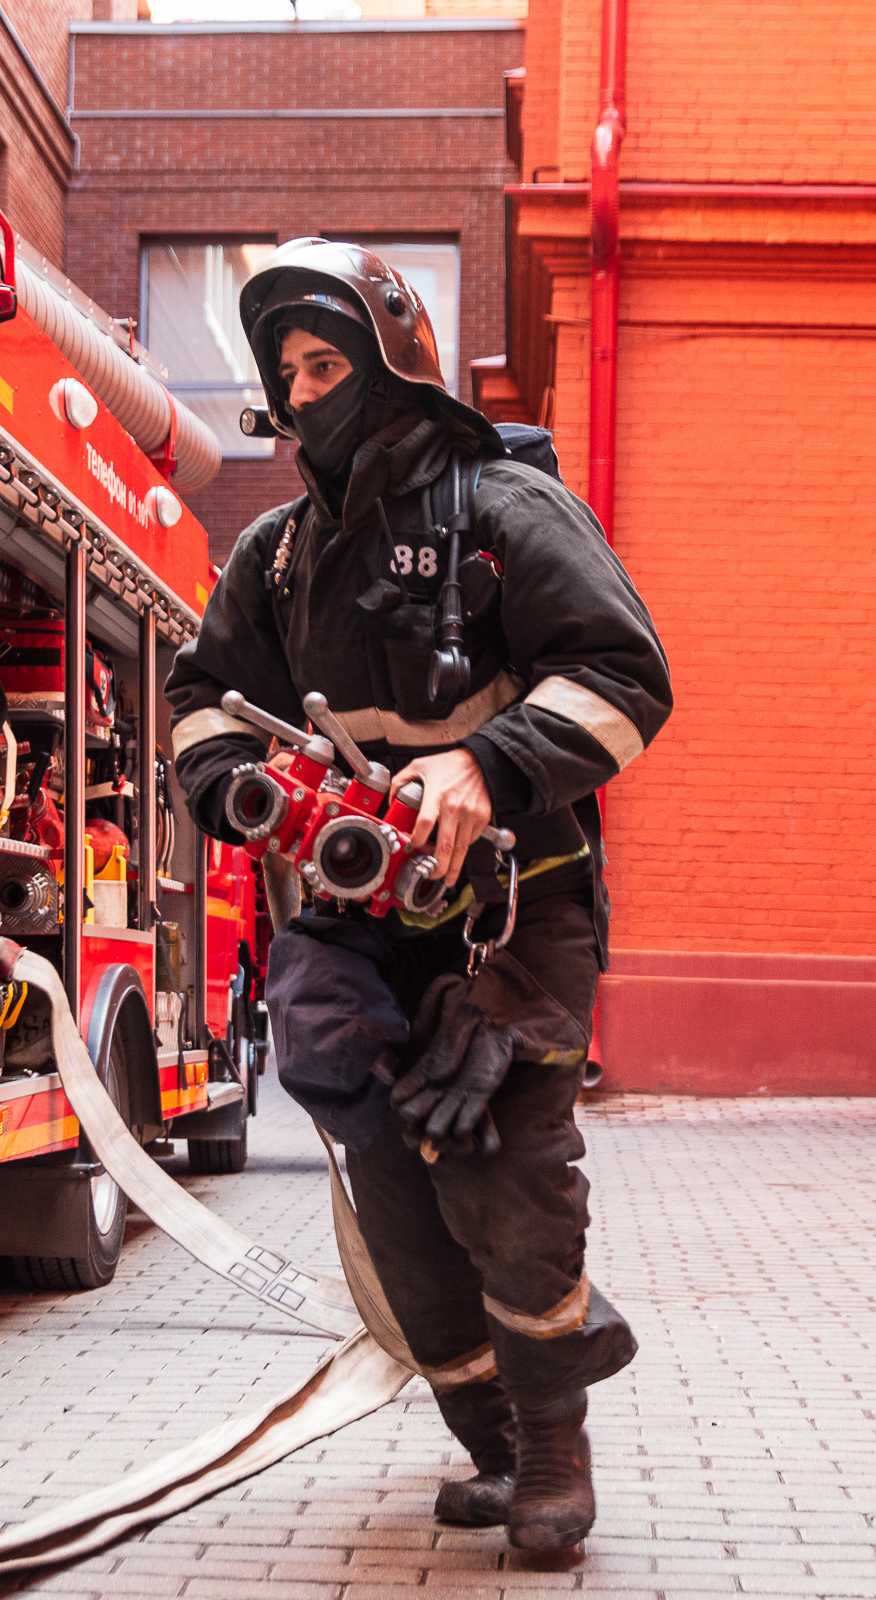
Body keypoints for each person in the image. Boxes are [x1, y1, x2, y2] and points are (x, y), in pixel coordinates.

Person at [166, 240, 671, 1551]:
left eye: (327, 362)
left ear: (396, 365)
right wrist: (237, 787)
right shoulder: (280, 557)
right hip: (360, 913)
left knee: (503, 1160)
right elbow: (191, 702)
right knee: (387, 1168)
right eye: (286, 371)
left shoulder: (506, 509)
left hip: (516, 903)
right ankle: (489, 1437)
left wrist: (487, 768)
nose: (304, 390)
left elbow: (625, 675)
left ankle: (554, 1453)